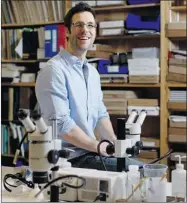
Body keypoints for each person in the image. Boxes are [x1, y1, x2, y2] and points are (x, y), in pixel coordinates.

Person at [35, 2, 143, 171]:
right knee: (141, 172)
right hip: (68, 159)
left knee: (139, 172)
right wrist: (100, 147)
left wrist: (117, 145)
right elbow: (62, 125)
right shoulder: (53, 70)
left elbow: (100, 114)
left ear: (95, 32)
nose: (85, 30)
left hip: (90, 152)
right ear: (68, 32)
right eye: (79, 25)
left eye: (90, 25)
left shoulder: (92, 73)